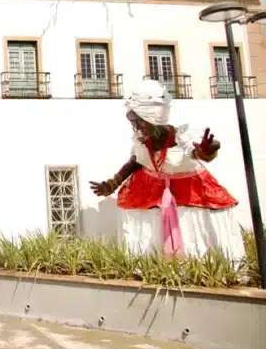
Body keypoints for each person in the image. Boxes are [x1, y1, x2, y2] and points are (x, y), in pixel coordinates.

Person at [89, 79, 244, 261]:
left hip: (191, 195)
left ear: (151, 119)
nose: (136, 126)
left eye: (139, 121)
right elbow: (135, 163)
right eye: (133, 121)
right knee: (149, 236)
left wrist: (208, 150)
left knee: (193, 238)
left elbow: (198, 152)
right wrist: (112, 184)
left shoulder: (181, 136)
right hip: (152, 193)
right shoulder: (141, 142)